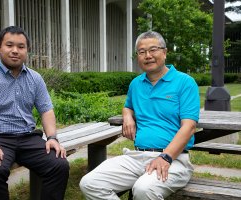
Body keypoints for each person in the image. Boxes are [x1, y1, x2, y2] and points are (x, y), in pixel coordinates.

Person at [79, 31, 200, 200]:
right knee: (90, 183)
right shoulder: (136, 84)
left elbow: (189, 126)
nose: (147, 56)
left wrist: (165, 157)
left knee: (144, 189)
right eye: (142, 52)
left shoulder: (185, 82)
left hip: (173, 159)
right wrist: (127, 116)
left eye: (153, 50)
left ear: (164, 52)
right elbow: (128, 106)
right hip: (136, 157)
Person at [0, 26, 69, 200]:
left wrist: (52, 138)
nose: (15, 51)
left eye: (21, 46)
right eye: (9, 45)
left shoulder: (35, 78)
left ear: (27, 50)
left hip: (28, 137)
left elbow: (46, 110)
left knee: (58, 164)